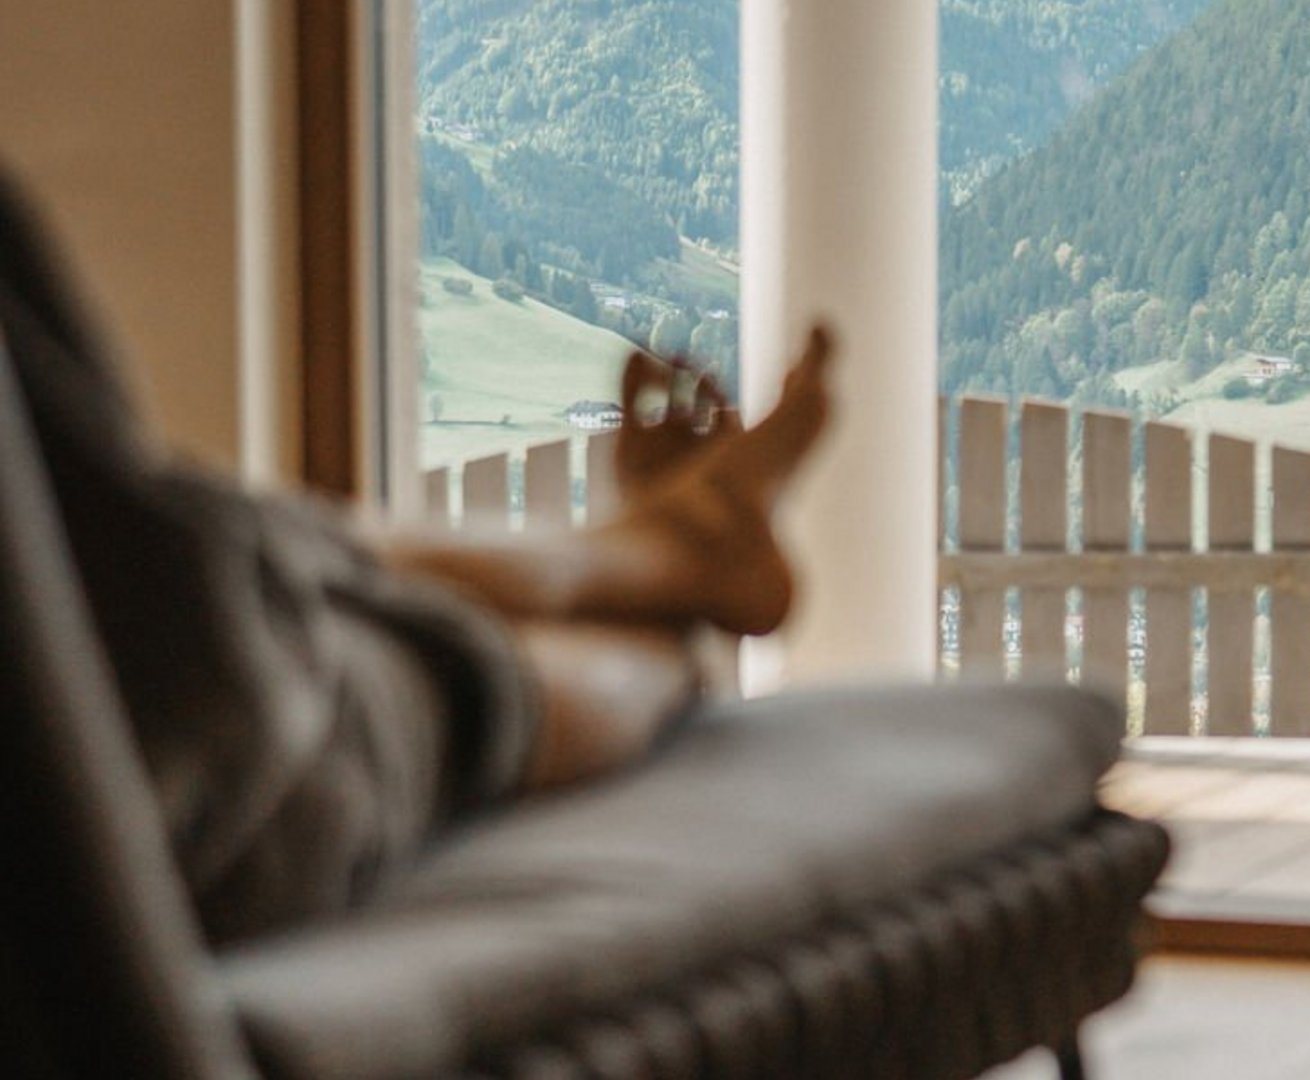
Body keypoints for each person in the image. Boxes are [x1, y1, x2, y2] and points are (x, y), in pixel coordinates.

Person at [0, 167, 832, 945]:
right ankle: (674, 583)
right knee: (417, 675)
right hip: (157, 761)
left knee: (226, 557)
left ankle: (664, 549)